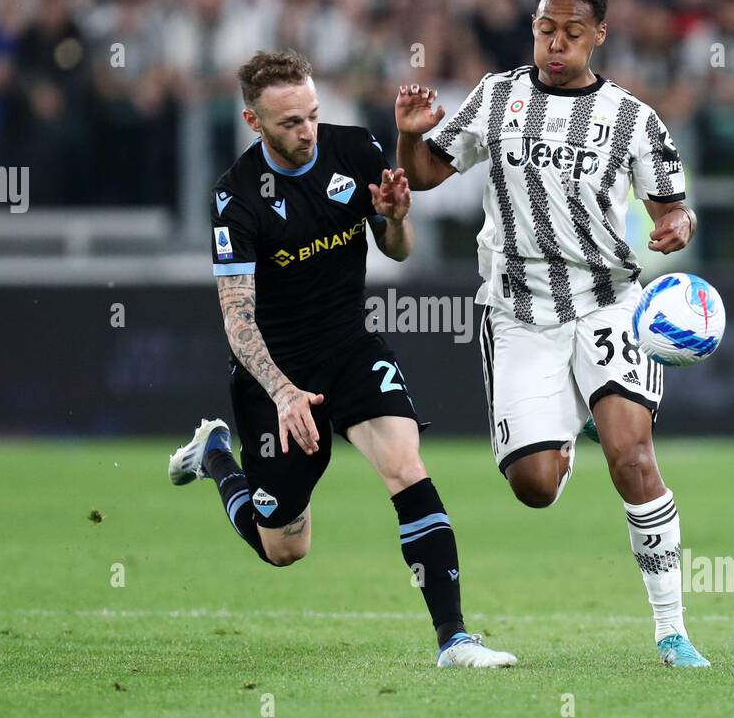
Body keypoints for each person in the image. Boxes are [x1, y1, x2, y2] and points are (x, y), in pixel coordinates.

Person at [395, 0, 710, 668]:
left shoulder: (633, 117)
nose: (556, 43)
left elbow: (671, 205)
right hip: (519, 311)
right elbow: (422, 176)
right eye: (545, 29)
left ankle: (672, 629)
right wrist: (409, 139)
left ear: (599, 33)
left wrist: (676, 225)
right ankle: (558, 437)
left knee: (631, 457)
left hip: (608, 302)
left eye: (572, 31)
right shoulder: (496, 96)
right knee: (534, 488)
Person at [170, 49, 517, 668]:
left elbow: (398, 250)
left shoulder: (355, 149)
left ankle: (455, 639)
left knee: (405, 467)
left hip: (350, 347)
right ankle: (218, 457)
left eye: (312, 115)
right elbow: (237, 317)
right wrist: (281, 392)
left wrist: (396, 217)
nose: (308, 132)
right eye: (290, 124)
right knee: (284, 548)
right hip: (273, 375)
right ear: (254, 123)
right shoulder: (236, 198)